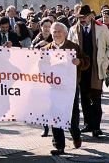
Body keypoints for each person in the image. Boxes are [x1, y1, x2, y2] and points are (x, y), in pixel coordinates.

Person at [68, 4, 109, 137]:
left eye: (83, 17)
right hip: (81, 68)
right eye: (79, 17)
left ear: (90, 16)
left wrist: (107, 58)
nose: (81, 20)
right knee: (84, 98)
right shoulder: (73, 30)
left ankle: (96, 127)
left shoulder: (102, 28)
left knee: (95, 98)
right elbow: (69, 48)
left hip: (97, 68)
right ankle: (88, 124)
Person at [44, 22, 90, 155]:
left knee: (72, 115)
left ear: (65, 33)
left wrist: (79, 62)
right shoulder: (47, 49)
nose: (57, 34)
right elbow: (40, 66)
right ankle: (59, 145)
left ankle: (76, 135)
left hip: (70, 88)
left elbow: (86, 61)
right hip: (53, 88)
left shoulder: (73, 47)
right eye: (54, 32)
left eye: (59, 32)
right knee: (55, 115)